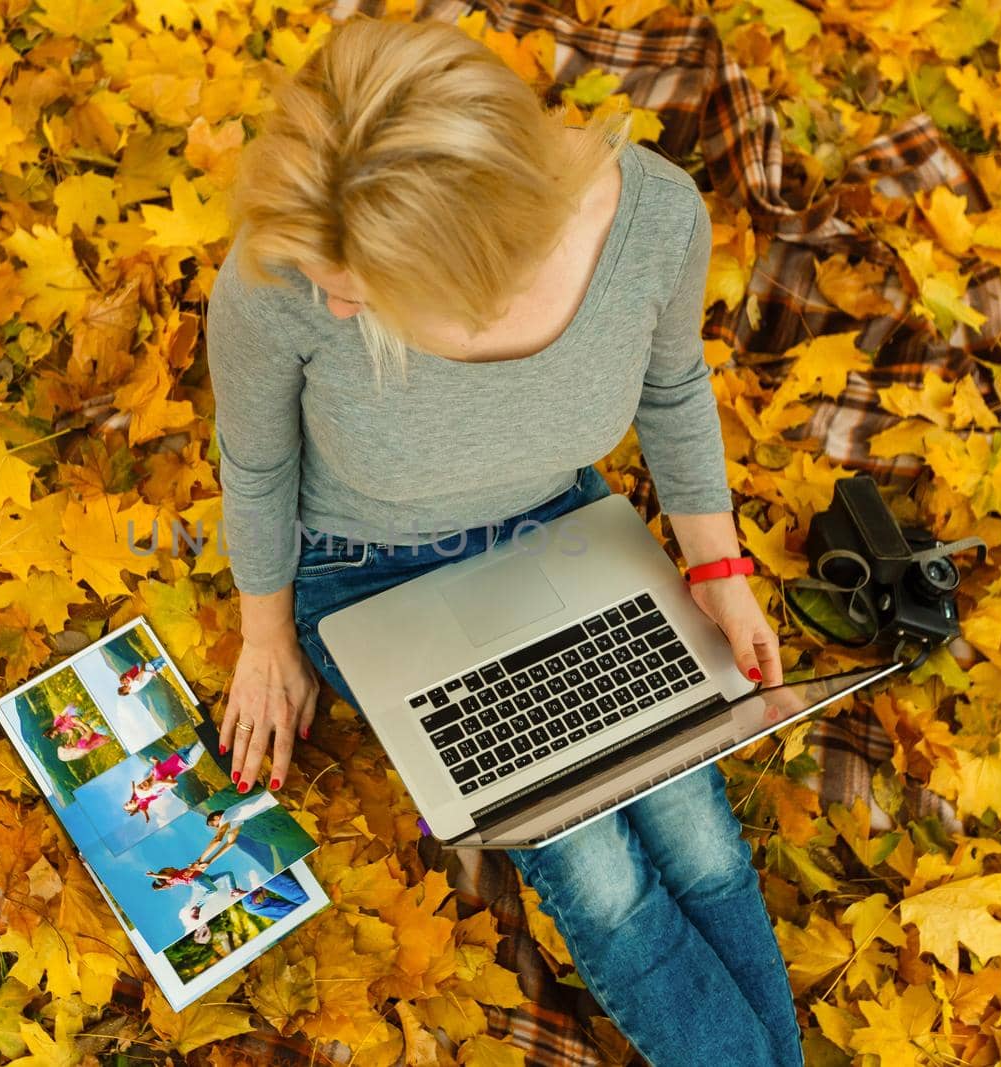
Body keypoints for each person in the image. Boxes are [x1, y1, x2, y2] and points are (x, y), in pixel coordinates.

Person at [204, 17, 795, 1067]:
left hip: (565, 532)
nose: (334, 301)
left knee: (700, 834)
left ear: (481, 255)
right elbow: (256, 467)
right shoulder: (281, 276)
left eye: (363, 284)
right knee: (602, 875)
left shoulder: (652, 217)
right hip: (367, 575)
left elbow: (672, 387)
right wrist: (265, 639)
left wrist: (717, 567)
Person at [122, 741, 206, 820]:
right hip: (187, 761)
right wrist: (146, 815)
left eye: (126, 803)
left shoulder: (151, 776)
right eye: (128, 805)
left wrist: (154, 761)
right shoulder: (145, 800)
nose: (128, 802)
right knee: (202, 744)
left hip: (178, 754)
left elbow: (157, 764)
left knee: (199, 739)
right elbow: (173, 783)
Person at [44, 704, 112, 763]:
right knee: (92, 720)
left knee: (89, 717)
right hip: (103, 732)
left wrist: (78, 729)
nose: (65, 745)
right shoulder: (80, 745)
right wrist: (80, 723)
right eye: (64, 747)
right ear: (68, 750)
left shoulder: (81, 749)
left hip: (107, 737)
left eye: (54, 734)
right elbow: (89, 732)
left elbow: (85, 736)